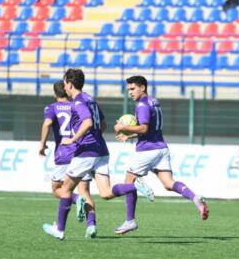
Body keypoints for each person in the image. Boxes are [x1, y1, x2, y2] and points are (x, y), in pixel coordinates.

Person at [42, 69, 149, 240]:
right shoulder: (90, 99)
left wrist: (73, 140)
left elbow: (88, 122)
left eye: (65, 84)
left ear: (69, 84)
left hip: (86, 151)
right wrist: (94, 136)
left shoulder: (78, 102)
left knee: (65, 189)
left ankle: (60, 230)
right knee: (105, 193)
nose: (65, 87)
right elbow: (103, 124)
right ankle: (133, 187)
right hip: (101, 150)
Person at [113, 75, 209, 235]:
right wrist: (129, 136)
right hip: (161, 149)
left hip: (146, 150)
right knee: (168, 183)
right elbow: (151, 129)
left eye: (133, 88)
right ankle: (194, 198)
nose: (130, 92)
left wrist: (122, 127)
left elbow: (143, 129)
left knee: (129, 181)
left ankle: (130, 221)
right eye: (128, 89)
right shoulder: (154, 102)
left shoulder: (142, 105)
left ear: (142, 87)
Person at [39, 80, 92, 232]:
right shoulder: (77, 105)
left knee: (57, 188)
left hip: (63, 153)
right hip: (81, 152)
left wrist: (42, 144)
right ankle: (91, 225)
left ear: (55, 93)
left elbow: (47, 124)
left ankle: (76, 199)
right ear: (67, 89)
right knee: (85, 190)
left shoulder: (52, 108)